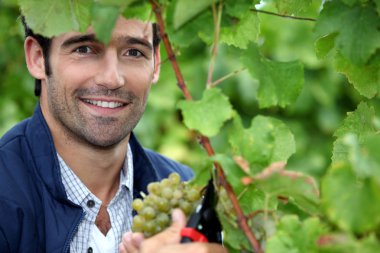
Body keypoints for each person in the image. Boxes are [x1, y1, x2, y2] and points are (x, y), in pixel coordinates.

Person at [0, 11, 227, 253]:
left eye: (133, 52)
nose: (111, 78)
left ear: (156, 63)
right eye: (84, 49)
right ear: (37, 58)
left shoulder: (186, 194)